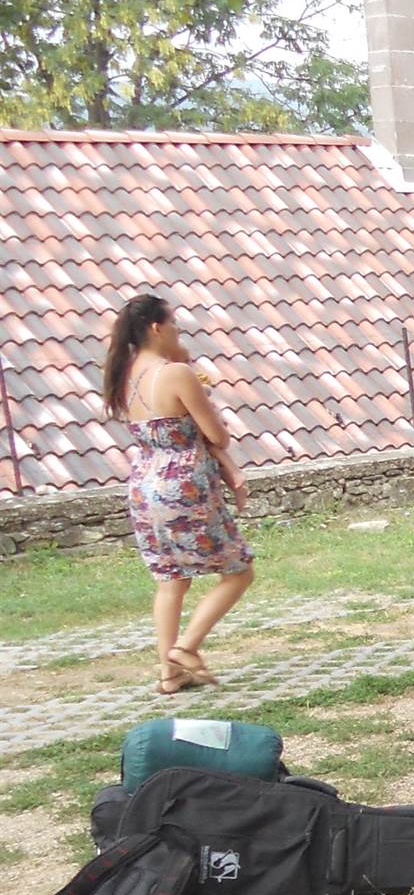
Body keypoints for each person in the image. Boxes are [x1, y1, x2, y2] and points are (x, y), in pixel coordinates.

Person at [103, 294, 253, 695]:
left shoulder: (123, 374)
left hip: (144, 485)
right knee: (238, 570)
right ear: (157, 328)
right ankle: (186, 647)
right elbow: (217, 435)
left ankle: (169, 674)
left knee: (170, 580)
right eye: (174, 326)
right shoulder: (175, 374)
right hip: (184, 486)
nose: (178, 333)